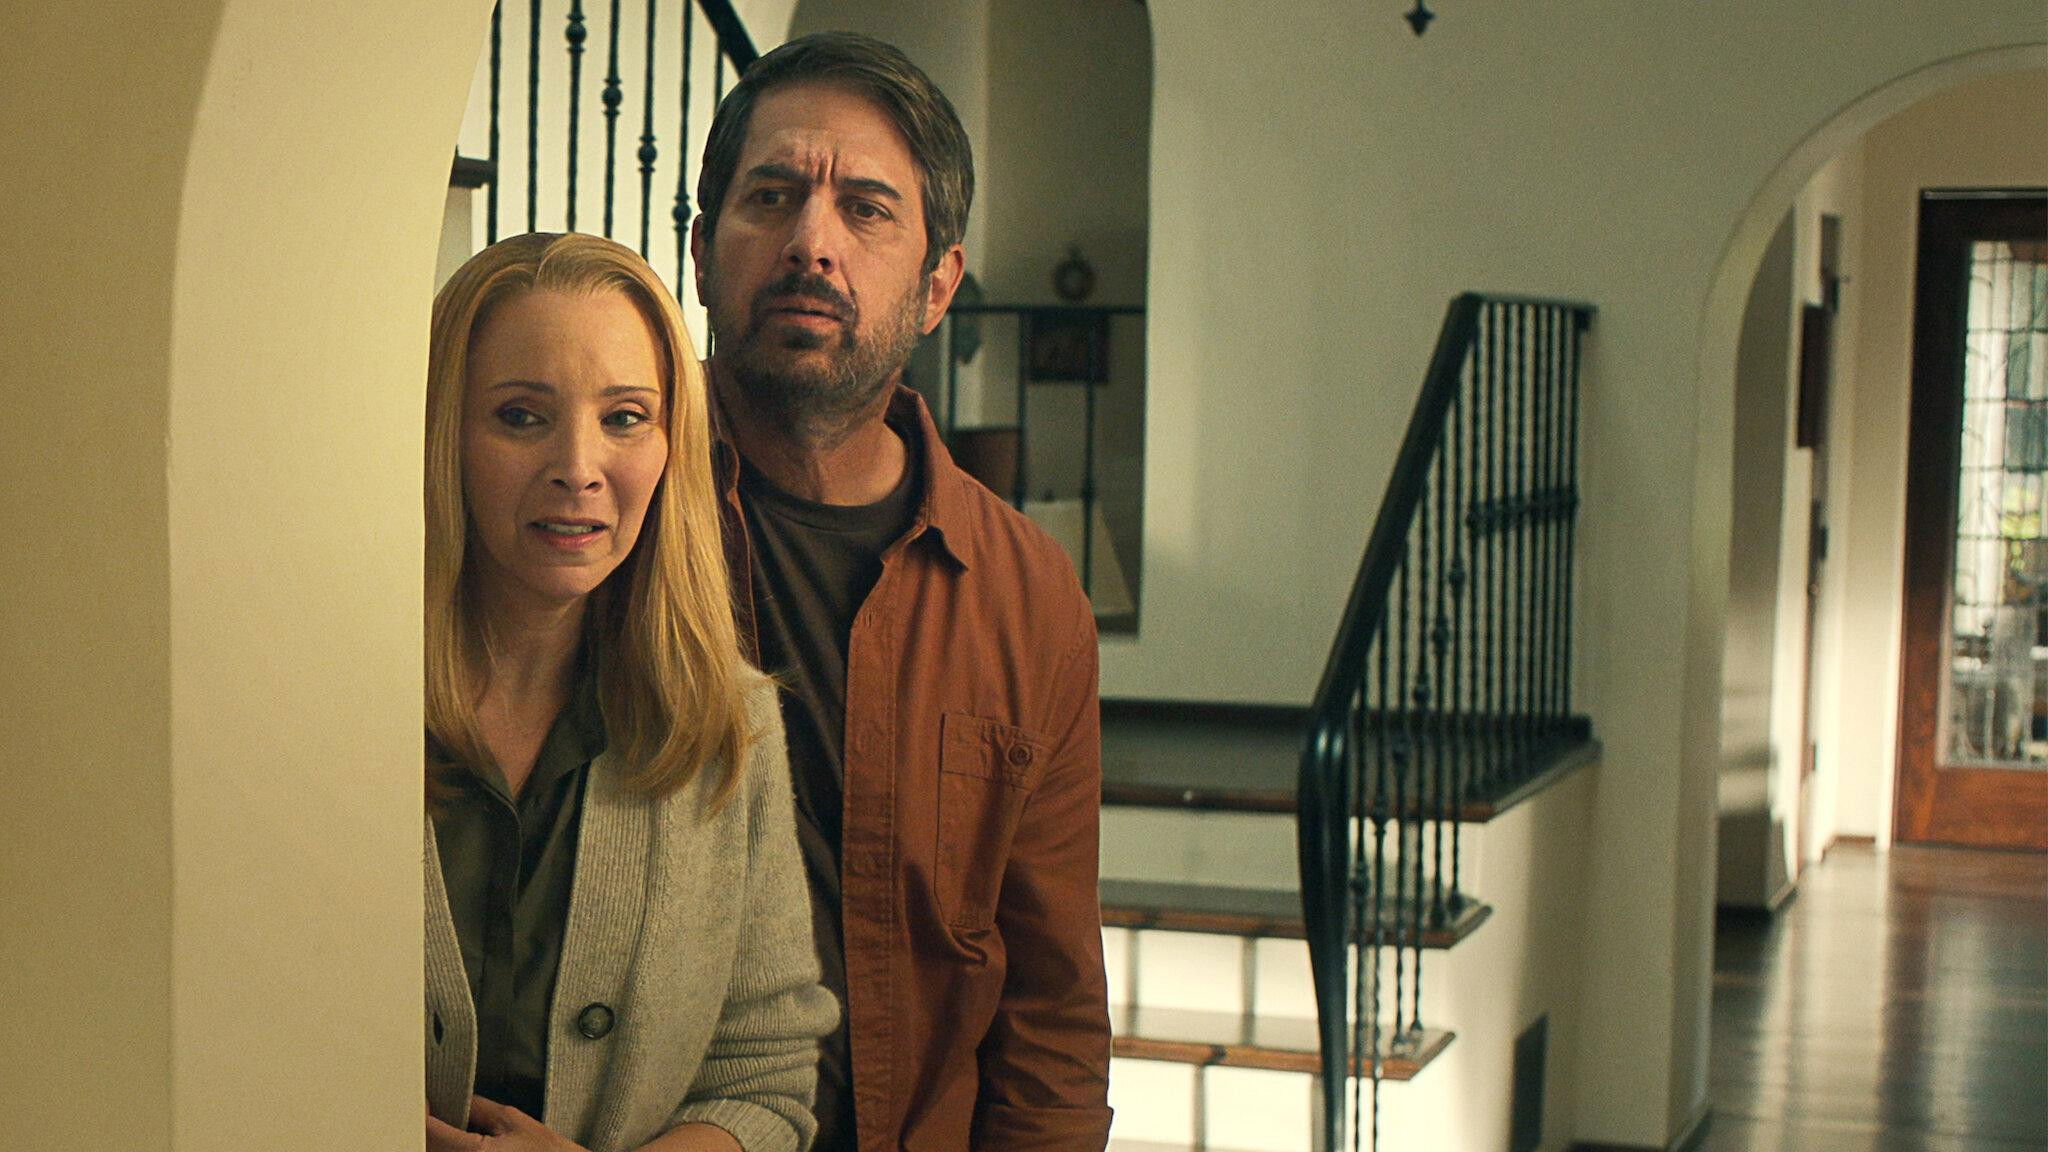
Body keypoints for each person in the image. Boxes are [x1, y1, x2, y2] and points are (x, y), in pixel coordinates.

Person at [688, 32, 1113, 1152]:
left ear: (937, 286)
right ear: (701, 250)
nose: (810, 242)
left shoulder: (1026, 597)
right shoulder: (602, 516)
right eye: (770, 196)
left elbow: (1052, 1007)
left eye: (866, 209)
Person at [421, 232, 837, 1152]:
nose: (578, 466)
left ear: (669, 443)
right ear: (443, 431)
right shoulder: (328, 704)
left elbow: (764, 1082)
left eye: (624, 417)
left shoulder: (729, 724)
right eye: (521, 416)